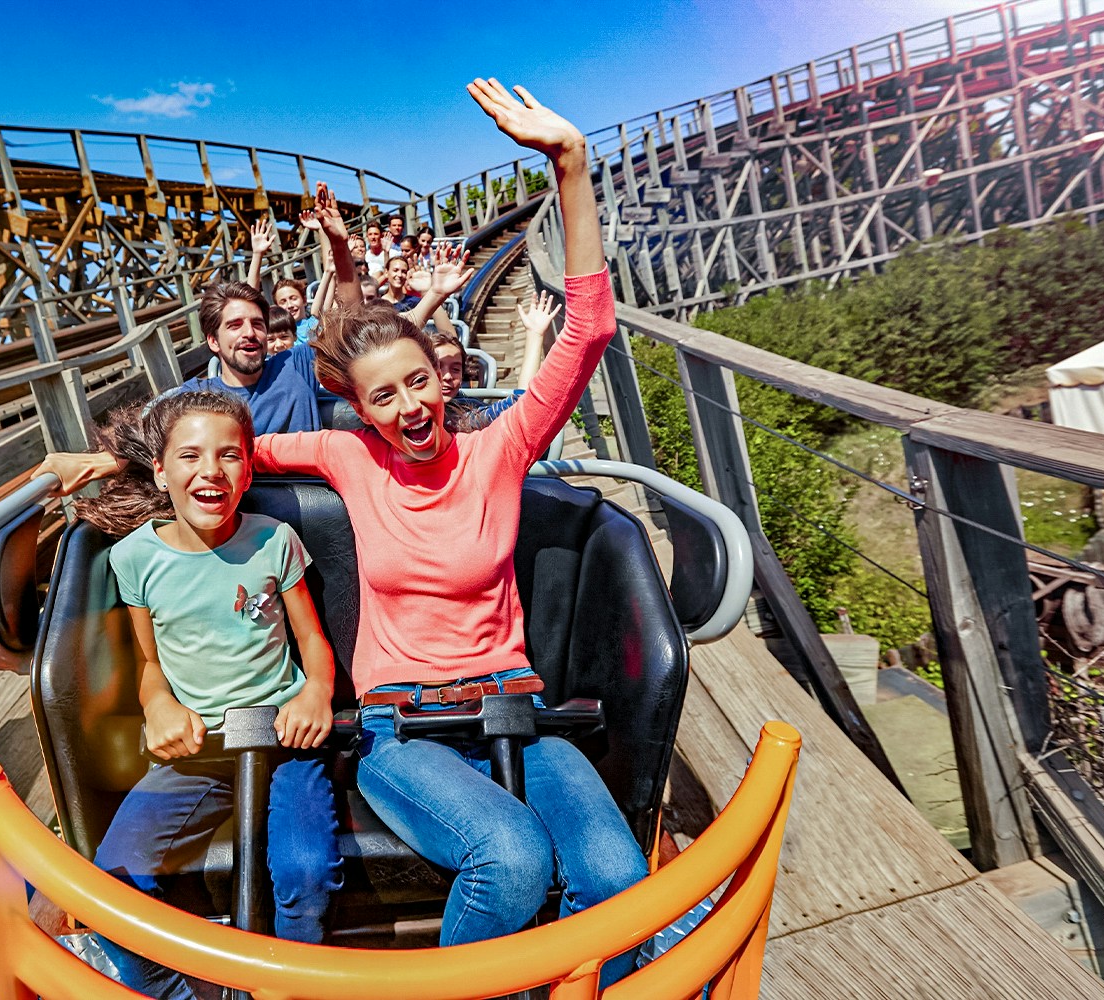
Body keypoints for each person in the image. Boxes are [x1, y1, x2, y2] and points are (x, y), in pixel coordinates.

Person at [37, 79, 653, 987]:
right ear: (360, 411)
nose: (409, 407)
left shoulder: (500, 449)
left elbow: (588, 330)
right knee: (513, 861)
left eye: (419, 383)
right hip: (403, 726)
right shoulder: (347, 457)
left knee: (620, 882)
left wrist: (571, 165)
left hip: (517, 706)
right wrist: (123, 463)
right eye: (383, 396)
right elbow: (227, 450)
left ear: (443, 382)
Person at [73, 390, 342, 1000]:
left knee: (306, 871)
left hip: (283, 740)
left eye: (228, 456)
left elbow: (311, 642)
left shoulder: (273, 540)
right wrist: (158, 705)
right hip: (202, 752)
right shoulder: (135, 557)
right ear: (161, 471)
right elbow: (149, 662)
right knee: (113, 881)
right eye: (189, 456)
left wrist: (316, 692)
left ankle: (290, 988)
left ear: (248, 469)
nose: (210, 471)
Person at [180, 282, 324, 434]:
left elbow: (348, 323)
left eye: (257, 324)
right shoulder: (196, 395)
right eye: (235, 325)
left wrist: (340, 265)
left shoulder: (295, 363)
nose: (250, 332)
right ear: (214, 341)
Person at [442, 289, 559, 429]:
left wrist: (534, 334)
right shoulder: (453, 420)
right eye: (437, 367)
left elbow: (519, 404)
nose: (447, 376)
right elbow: (519, 405)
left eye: (455, 369)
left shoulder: (460, 411)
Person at [272, 277, 318, 343]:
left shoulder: (318, 323)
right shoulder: (278, 339)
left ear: (304, 300)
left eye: (293, 298)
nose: (290, 305)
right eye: (283, 302)